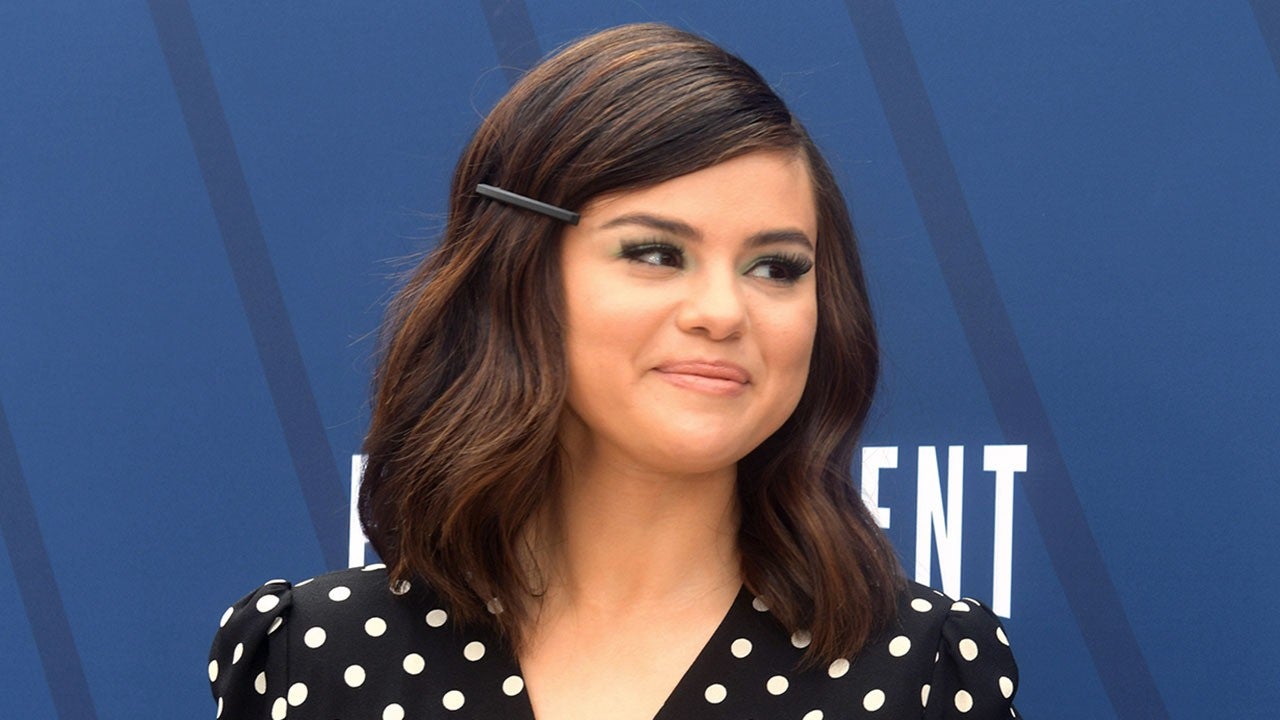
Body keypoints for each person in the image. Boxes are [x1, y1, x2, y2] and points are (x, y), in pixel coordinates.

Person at [208, 23, 1020, 720]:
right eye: (656, 253)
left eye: (776, 268)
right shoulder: (315, 656)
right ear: (517, 273)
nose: (722, 312)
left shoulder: (923, 672)